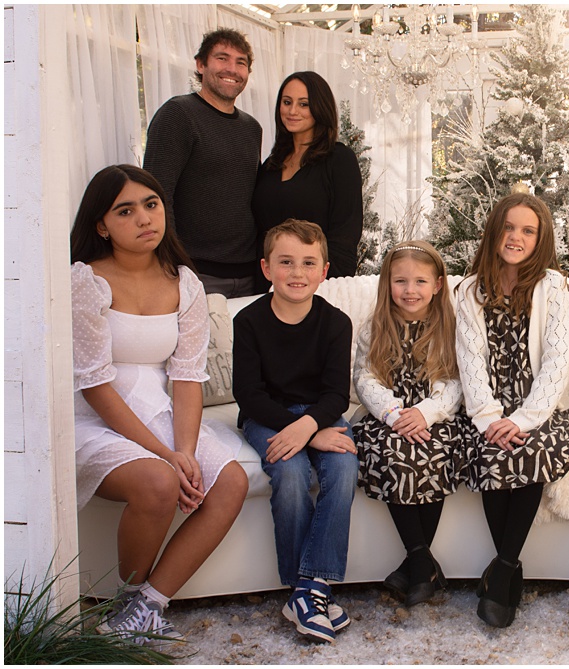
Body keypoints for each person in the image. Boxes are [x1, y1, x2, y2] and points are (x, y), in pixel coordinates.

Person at [70, 164, 248, 645]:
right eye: (125, 211)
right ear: (101, 225)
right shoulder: (84, 281)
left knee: (230, 481)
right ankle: (123, 601)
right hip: (96, 418)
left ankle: (146, 606)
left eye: (151, 205)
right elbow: (95, 386)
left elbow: (187, 376)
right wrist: (166, 456)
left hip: (161, 412)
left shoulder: (184, 282)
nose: (144, 218)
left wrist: (184, 450)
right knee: (157, 481)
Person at [232, 219, 358, 643]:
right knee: (289, 473)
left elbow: (336, 396)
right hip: (267, 414)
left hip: (317, 415)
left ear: (325, 271)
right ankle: (306, 587)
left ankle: (308, 590)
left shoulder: (337, 323)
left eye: (308, 263)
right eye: (286, 262)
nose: (297, 273)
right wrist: (304, 432)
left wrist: (311, 427)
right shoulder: (249, 321)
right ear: (267, 268)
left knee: (343, 466)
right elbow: (248, 395)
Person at [455, 192, 569, 628]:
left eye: (528, 230)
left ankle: (503, 567)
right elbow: (468, 361)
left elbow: (557, 364)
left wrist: (522, 419)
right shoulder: (469, 290)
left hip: (536, 405)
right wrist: (488, 420)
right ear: (495, 231)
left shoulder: (552, 286)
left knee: (528, 448)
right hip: (486, 405)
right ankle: (508, 571)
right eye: (509, 227)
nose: (516, 237)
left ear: (540, 239)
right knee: (489, 450)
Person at [352, 240, 472, 607]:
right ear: (387, 283)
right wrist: (393, 414)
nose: (410, 290)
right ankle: (423, 563)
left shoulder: (450, 328)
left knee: (431, 451)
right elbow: (364, 379)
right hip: (386, 418)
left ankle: (416, 566)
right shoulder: (375, 327)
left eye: (420, 281)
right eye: (400, 281)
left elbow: (456, 384)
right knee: (389, 450)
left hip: (437, 417)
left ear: (437, 285)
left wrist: (425, 414)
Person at [143, 28, 262, 298]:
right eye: (222, 58)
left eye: (241, 62)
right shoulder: (178, 115)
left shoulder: (252, 128)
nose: (232, 69)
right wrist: (175, 265)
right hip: (196, 273)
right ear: (200, 64)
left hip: (250, 273)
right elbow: (157, 195)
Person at [252, 71, 363, 288]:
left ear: (320, 108)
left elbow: (345, 237)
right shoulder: (271, 164)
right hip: (267, 286)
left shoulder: (339, 160)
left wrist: (324, 288)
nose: (293, 111)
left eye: (304, 104)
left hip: (317, 288)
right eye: (287, 102)